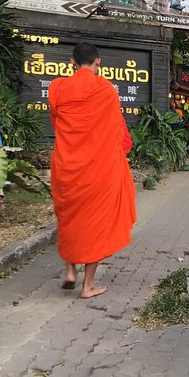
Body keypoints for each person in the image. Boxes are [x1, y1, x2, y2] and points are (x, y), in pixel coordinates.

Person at [49, 42, 137, 299]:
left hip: (66, 165)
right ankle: (88, 286)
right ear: (98, 61)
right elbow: (116, 131)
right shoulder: (107, 91)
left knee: (69, 217)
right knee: (96, 223)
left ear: (71, 62)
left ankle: (69, 270)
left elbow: (57, 123)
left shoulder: (57, 87)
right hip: (98, 168)